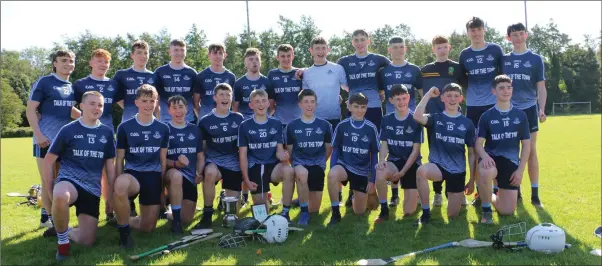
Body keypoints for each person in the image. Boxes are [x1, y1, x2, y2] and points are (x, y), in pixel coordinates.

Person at [42, 91, 116, 261]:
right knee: (61, 195)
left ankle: (63, 230)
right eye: (92, 103)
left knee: (87, 241)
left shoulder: (106, 133)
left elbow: (109, 168)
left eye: (100, 105)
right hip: (70, 181)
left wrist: (111, 196)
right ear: (81, 106)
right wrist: (50, 188)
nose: (96, 108)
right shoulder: (68, 129)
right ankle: (63, 243)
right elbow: (48, 161)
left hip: (92, 189)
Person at [26, 49, 81, 231]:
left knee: (60, 180)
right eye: (64, 60)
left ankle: (50, 216)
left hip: (64, 142)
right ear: (55, 63)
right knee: (47, 180)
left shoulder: (70, 86)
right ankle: (49, 219)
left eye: (71, 61)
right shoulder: (45, 82)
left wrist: (88, 118)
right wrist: (39, 134)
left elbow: (69, 110)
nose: (68, 64)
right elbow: (30, 109)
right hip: (45, 141)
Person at [336, 29, 390, 206]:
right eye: (356, 40)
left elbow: (391, 72)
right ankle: (352, 191)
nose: (359, 42)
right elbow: (332, 73)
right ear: (352, 42)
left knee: (370, 150)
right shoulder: (344, 61)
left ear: (369, 41)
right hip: (353, 109)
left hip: (373, 109)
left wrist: (381, 92)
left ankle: (371, 186)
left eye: (362, 39)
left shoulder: (379, 59)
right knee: (352, 149)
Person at [112, 84, 170, 248]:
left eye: (152, 101)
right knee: (121, 185)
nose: (149, 105)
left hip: (152, 175)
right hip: (133, 175)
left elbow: (163, 160)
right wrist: (115, 184)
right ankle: (124, 234)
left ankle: (123, 219)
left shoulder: (163, 128)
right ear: (136, 102)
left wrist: (161, 188)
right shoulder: (124, 127)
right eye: (144, 101)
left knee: (148, 227)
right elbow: (120, 158)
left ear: (157, 102)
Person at [413, 84, 476, 225]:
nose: (452, 99)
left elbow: (472, 154)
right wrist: (428, 94)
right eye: (448, 95)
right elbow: (417, 116)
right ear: (442, 98)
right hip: (438, 166)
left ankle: (453, 194)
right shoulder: (436, 118)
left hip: (458, 171)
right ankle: (425, 213)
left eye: (455, 96)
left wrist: (472, 180)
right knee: (421, 171)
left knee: (452, 215)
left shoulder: (467, 123)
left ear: (461, 98)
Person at [458, 17, 504, 206]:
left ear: (484, 30)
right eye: (472, 30)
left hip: (495, 106)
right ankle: (479, 193)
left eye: (478, 29)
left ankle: (499, 189)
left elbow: (503, 77)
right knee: (477, 149)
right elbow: (461, 79)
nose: (476, 33)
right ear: (468, 33)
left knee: (497, 147)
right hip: (474, 107)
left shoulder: (495, 50)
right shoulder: (464, 54)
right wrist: (474, 92)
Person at [475, 75, 531, 224]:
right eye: (501, 88)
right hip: (491, 159)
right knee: (486, 171)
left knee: (507, 211)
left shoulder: (521, 115)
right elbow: (478, 144)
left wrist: (520, 170)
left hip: (510, 161)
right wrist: (485, 157)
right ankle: (486, 211)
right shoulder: (486, 116)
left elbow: (526, 145)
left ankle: (486, 195)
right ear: (494, 91)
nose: (506, 91)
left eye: (509, 87)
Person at [501, 22, 547, 207]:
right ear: (508, 38)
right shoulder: (503, 60)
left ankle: (535, 195)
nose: (518, 37)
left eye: (521, 33)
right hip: (509, 110)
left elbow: (541, 87)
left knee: (531, 151)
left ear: (526, 35)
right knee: (511, 151)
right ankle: (515, 191)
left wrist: (541, 108)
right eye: (514, 34)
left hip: (529, 109)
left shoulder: (536, 59)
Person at [73, 48, 119, 221]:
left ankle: (110, 210)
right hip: (84, 136)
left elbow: (126, 105)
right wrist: (87, 120)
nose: (103, 64)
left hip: (107, 135)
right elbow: (68, 107)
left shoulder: (113, 84)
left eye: (106, 62)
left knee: (109, 172)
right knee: (90, 172)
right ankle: (88, 211)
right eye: (99, 61)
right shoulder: (80, 84)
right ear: (91, 63)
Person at [378, 36, 423, 207]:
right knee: (392, 152)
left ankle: (415, 191)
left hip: (409, 118)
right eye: (395, 47)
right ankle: (394, 195)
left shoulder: (414, 69)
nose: (398, 50)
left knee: (412, 150)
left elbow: (422, 92)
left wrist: (420, 114)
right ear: (389, 50)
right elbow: (381, 93)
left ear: (406, 48)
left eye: (401, 46)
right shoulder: (383, 71)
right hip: (391, 117)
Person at [421, 35, 465, 207]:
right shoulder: (425, 69)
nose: (441, 50)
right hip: (434, 119)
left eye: (444, 47)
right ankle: (438, 193)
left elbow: (463, 90)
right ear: (433, 49)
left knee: (458, 153)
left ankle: (457, 192)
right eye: (438, 47)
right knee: (435, 154)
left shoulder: (457, 68)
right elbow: (421, 92)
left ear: (449, 48)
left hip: (454, 118)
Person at [238, 89, 295, 219]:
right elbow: (242, 156)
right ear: (251, 105)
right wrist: (246, 180)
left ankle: (285, 212)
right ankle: (265, 200)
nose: (261, 104)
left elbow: (279, 149)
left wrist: (282, 155)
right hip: (255, 167)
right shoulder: (245, 126)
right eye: (256, 101)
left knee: (289, 171)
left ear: (269, 103)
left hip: (273, 167)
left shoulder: (276, 123)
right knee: (262, 216)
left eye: (263, 100)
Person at [195, 83, 244, 229]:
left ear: (231, 98)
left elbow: (243, 147)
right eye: (221, 95)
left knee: (233, 213)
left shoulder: (238, 118)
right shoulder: (205, 121)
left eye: (228, 95)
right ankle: (207, 214)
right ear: (215, 98)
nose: (225, 98)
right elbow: (201, 151)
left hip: (233, 164)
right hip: (214, 163)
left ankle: (225, 201)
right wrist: (199, 171)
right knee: (209, 173)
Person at [327, 93, 379, 226]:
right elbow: (336, 149)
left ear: (366, 108)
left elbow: (374, 155)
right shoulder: (342, 126)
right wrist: (333, 167)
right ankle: (335, 212)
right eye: (356, 106)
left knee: (359, 213)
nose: (359, 110)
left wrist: (372, 180)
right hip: (344, 166)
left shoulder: (371, 128)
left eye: (363, 107)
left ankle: (356, 195)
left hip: (361, 171)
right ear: (349, 107)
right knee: (332, 175)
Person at [374, 85, 423, 223]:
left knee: (408, 212)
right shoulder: (386, 119)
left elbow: (415, 151)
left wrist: (403, 172)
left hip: (412, 164)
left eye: (404, 98)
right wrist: (382, 159)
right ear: (391, 100)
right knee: (380, 170)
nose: (401, 102)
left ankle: (416, 193)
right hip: (394, 161)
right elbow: (384, 143)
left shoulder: (416, 119)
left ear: (408, 97)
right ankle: (384, 211)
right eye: (397, 99)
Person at [285, 89, 333, 225]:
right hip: (300, 163)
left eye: (312, 102)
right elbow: (289, 150)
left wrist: (322, 162)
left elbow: (328, 148)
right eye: (306, 102)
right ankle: (303, 212)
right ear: (300, 104)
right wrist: (295, 165)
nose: (309, 105)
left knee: (315, 210)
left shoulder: (325, 125)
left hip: (318, 164)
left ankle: (304, 205)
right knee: (302, 174)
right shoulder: (292, 126)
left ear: (316, 105)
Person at [165, 95, 205, 233]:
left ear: (187, 109)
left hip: (189, 177)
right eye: (174, 108)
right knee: (176, 176)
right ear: (169, 111)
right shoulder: (164, 130)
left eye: (181, 107)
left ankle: (166, 212)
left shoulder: (195, 129)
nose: (178, 111)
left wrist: (199, 173)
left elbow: (200, 156)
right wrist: (175, 163)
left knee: (187, 218)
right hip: (170, 174)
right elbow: (160, 159)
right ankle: (176, 223)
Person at [153, 39, 198, 123]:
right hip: (166, 121)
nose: (179, 53)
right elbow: (155, 100)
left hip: (188, 121)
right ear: (169, 52)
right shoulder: (160, 72)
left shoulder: (192, 73)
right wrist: (159, 119)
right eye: (176, 50)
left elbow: (196, 101)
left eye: (182, 50)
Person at [114, 40, 158, 122]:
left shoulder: (155, 76)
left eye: (145, 53)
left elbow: (158, 101)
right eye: (139, 52)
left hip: (151, 122)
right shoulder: (121, 75)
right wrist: (130, 109)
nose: (143, 56)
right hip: (129, 121)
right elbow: (116, 97)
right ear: (132, 55)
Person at [193, 43, 236, 118]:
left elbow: (234, 102)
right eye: (215, 53)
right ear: (209, 55)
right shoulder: (201, 76)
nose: (218, 56)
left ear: (225, 55)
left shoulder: (231, 77)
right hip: (206, 119)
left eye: (220, 53)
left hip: (225, 119)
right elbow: (195, 103)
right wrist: (203, 116)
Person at [267, 44, 303, 126]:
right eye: (283, 56)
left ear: (293, 56)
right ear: (277, 57)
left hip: (299, 121)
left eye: (288, 56)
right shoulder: (272, 74)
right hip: (279, 122)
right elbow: (270, 99)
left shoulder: (300, 73)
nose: (286, 59)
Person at [233, 48, 270, 120]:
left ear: (260, 62)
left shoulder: (267, 82)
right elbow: (235, 109)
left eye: (257, 59)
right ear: (245, 63)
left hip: (263, 122)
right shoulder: (239, 83)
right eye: (251, 59)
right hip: (245, 122)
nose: (254, 62)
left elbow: (271, 107)